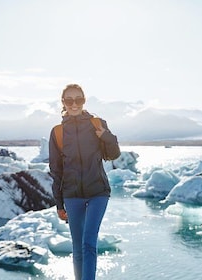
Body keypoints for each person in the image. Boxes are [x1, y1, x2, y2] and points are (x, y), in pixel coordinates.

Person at [49, 84, 121, 280]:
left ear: (84, 100)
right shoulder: (57, 132)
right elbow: (56, 170)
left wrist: (105, 136)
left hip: (98, 192)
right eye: (69, 100)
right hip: (71, 195)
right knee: (77, 247)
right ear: (63, 102)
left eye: (78, 99)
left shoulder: (97, 123)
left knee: (89, 242)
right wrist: (59, 203)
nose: (74, 104)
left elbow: (113, 154)